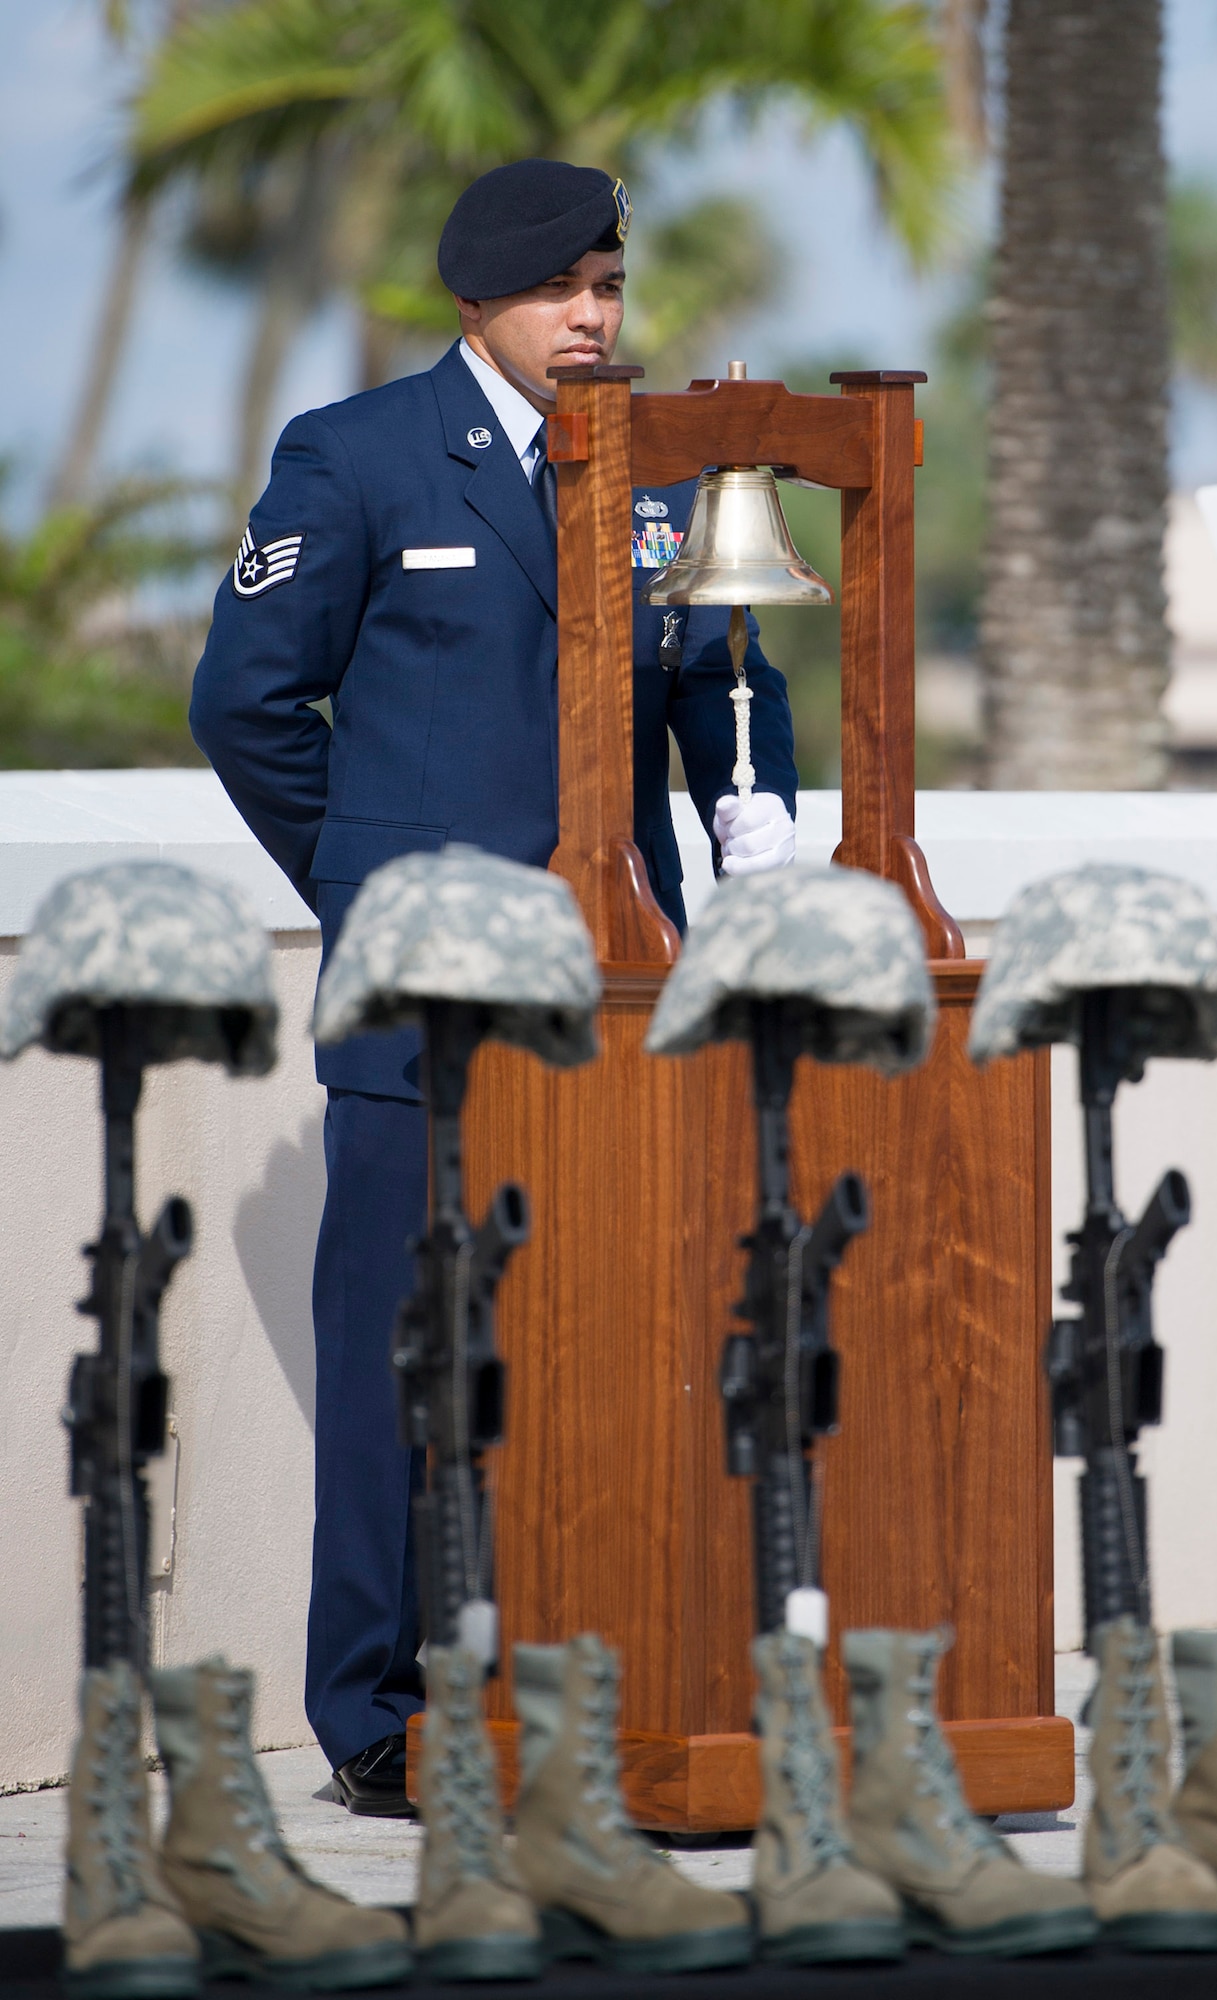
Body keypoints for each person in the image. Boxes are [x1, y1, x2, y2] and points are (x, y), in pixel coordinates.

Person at [190, 158, 800, 1815]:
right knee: (406, 1354)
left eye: (609, 286)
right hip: (424, 1007)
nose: (594, 319)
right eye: (561, 293)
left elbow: (725, 685)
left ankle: (577, 1677)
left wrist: (759, 825)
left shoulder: (666, 476)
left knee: (607, 1345)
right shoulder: (361, 455)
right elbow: (248, 702)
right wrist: (376, 889)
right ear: (479, 304)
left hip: (625, 1001)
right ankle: (380, 1716)